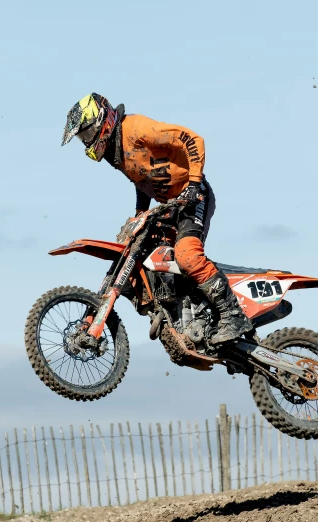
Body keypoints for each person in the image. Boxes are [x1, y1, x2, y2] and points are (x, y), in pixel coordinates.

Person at [61, 92, 254, 344]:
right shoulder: (116, 152)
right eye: (82, 138)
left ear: (102, 121)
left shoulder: (136, 129)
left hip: (194, 198)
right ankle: (179, 313)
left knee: (187, 256)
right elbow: (144, 180)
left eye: (85, 134)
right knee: (133, 249)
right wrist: (140, 215)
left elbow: (193, 139)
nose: (86, 142)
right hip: (168, 207)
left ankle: (232, 314)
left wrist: (194, 183)